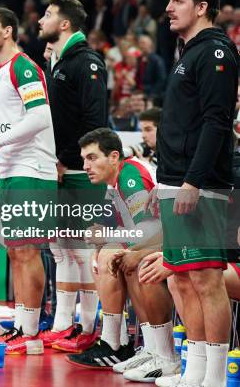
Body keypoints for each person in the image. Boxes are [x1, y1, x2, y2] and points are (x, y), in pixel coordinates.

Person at [148, 0, 238, 387]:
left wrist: (193, 182)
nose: (168, 8)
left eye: (177, 1)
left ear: (201, 7)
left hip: (200, 185)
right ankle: (196, 368)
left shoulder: (216, 52)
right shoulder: (188, 52)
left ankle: (215, 377)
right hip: (175, 179)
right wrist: (162, 180)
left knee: (205, 277)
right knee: (183, 276)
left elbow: (217, 122)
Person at [0, 6, 58, 355]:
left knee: (27, 252)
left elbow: (40, 117)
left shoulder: (22, 66)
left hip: (31, 170)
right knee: (19, 253)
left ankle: (31, 333)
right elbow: (14, 121)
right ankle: (23, 326)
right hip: (15, 167)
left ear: (7, 31)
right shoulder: (2, 70)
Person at [67, 128, 179, 381]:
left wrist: (110, 241)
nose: (86, 165)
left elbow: (153, 228)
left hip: (173, 243)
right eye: (84, 159)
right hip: (159, 242)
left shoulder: (129, 175)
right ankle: (149, 348)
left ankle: (144, 349)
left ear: (114, 157)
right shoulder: (114, 185)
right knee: (110, 256)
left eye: (92, 158)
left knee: (124, 258)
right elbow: (114, 229)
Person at [37, 0, 108, 353]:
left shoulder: (87, 63)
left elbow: (93, 120)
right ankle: (64, 322)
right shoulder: (55, 61)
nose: (40, 20)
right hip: (59, 167)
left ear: (64, 24)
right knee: (60, 248)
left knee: (82, 252)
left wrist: (65, 159)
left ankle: (89, 326)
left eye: (48, 15)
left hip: (80, 171)